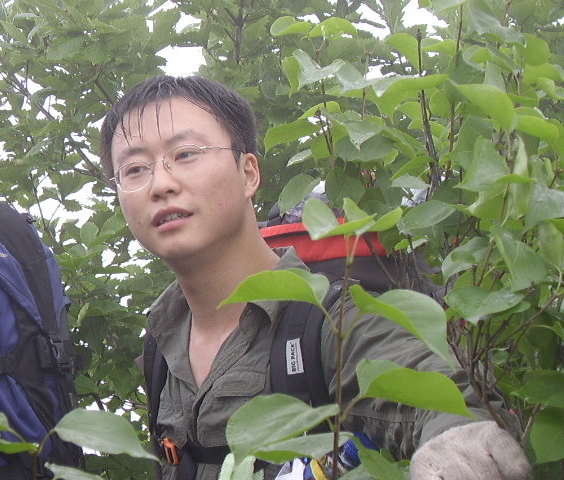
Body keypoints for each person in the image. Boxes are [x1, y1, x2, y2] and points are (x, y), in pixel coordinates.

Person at [99, 75, 530, 480]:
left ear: (248, 173)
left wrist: (461, 443)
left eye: (186, 154)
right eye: (134, 169)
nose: (160, 184)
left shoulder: (331, 324)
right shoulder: (161, 343)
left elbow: (444, 396)